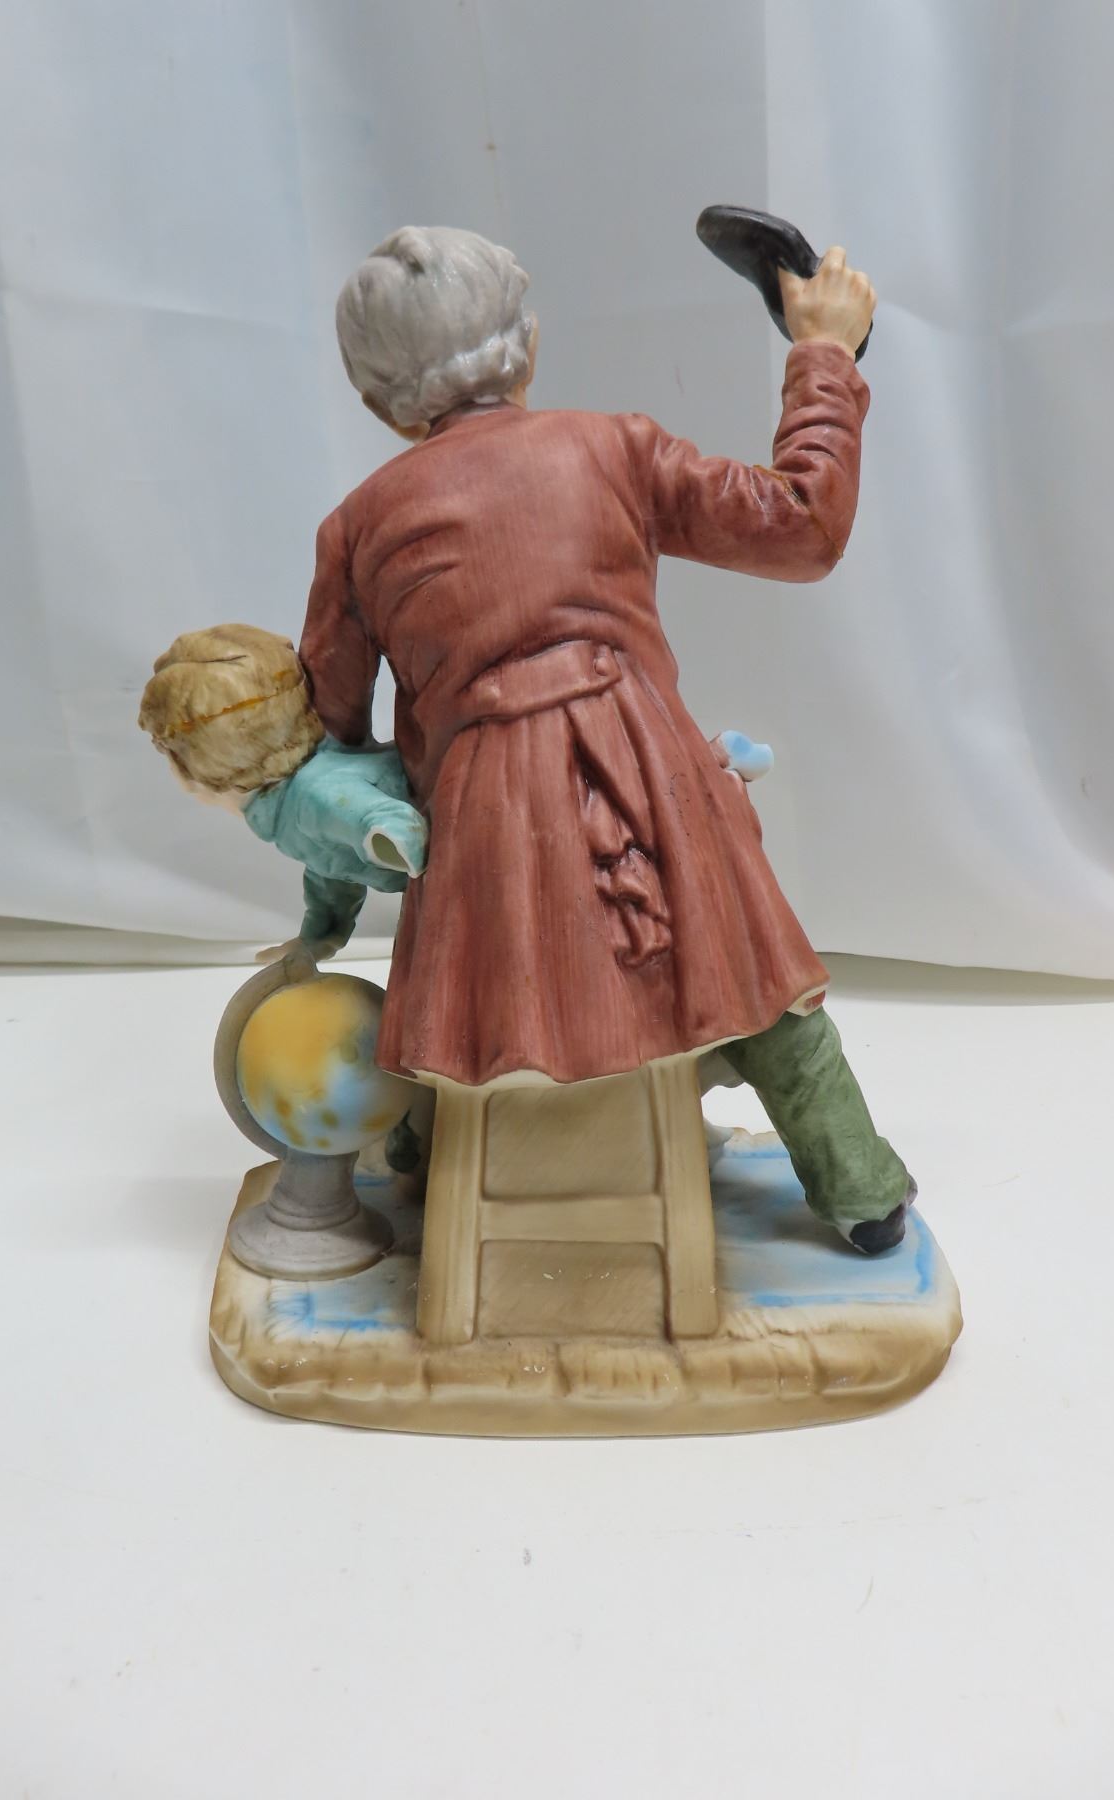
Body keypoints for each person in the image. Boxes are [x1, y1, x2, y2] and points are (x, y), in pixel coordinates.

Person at [300, 226, 912, 1253]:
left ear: (375, 401)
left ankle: (426, 1154)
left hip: (485, 827)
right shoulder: (616, 448)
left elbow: (331, 746)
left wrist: (337, 887)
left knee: (467, 989)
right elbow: (804, 527)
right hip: (651, 780)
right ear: (528, 346)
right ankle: (860, 1188)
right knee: (751, 973)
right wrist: (824, 356)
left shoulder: (357, 529)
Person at [137, 623, 426, 956]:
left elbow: (383, 820)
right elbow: (330, 869)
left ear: (194, 759)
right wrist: (318, 939)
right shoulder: (289, 812)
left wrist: (388, 840)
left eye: (165, 748)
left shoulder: (313, 795)